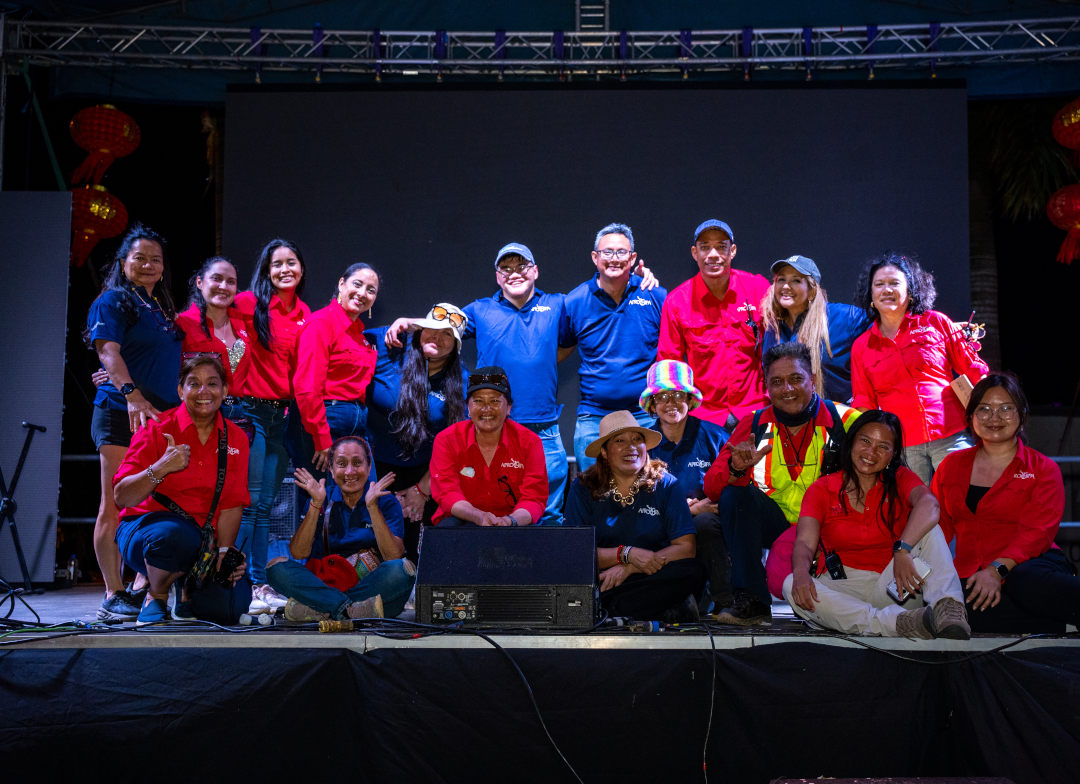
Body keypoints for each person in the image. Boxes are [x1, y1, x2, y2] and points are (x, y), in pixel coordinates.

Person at [703, 342, 860, 625]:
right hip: (777, 527)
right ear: (766, 387)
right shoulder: (753, 423)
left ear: (813, 379)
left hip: (830, 525)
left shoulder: (847, 421)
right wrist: (736, 468)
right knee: (734, 497)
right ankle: (752, 601)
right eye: (777, 382)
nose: (787, 389)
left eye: (796, 379)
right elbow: (712, 487)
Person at [784, 410, 971, 639]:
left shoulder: (900, 478)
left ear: (893, 454)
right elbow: (804, 542)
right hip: (843, 589)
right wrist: (801, 573)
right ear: (851, 442)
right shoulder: (822, 489)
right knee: (791, 583)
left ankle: (948, 607)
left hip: (896, 585)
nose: (871, 452)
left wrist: (902, 549)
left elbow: (930, 505)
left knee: (930, 527)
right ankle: (893, 623)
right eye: (865, 441)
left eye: (883, 446)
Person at [85, 223, 183, 620]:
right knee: (114, 502)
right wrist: (130, 393)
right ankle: (113, 593)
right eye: (139, 258)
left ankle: (141, 585)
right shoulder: (113, 301)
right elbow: (108, 351)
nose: (148, 265)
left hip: (160, 418)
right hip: (121, 412)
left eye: (155, 259)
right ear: (123, 262)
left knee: (152, 502)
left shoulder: (161, 308)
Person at [931, 373, 1080, 633]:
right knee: (955, 606)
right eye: (984, 409)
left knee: (1023, 582)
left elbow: (1037, 532)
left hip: (1032, 567)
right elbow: (937, 527)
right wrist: (915, 566)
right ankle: (1058, 620)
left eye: (1006, 408)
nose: (994, 417)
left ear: (1022, 415)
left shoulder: (1042, 468)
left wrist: (996, 569)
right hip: (973, 574)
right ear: (970, 416)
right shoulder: (950, 466)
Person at [112, 356, 251, 625]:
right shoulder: (157, 427)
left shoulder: (236, 437)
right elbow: (122, 496)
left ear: (224, 391)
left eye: (212, 384)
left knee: (230, 608)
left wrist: (224, 552)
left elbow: (233, 503)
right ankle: (156, 595)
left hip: (202, 542)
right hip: (146, 532)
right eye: (194, 384)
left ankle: (186, 590)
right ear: (180, 390)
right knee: (173, 535)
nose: (203, 391)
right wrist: (161, 467)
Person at [851, 251, 988, 485]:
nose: (887, 289)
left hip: (952, 435)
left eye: (894, 283)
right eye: (879, 284)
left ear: (911, 291)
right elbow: (865, 403)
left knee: (963, 499)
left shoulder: (936, 322)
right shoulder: (862, 346)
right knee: (916, 506)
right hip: (903, 447)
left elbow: (976, 370)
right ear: (870, 294)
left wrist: (992, 413)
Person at [231, 239, 312, 609]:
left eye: (291, 262)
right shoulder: (249, 303)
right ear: (266, 271)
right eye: (277, 264)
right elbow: (225, 341)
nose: (284, 270)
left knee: (263, 505)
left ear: (301, 268)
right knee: (251, 504)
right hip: (250, 412)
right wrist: (226, 381)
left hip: (281, 416)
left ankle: (258, 584)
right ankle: (239, 583)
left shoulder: (304, 313)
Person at [565, 410, 703, 621]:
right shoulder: (583, 487)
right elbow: (576, 551)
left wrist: (630, 567)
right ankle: (659, 610)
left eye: (637, 440)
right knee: (574, 580)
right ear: (604, 452)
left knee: (692, 570)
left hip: (650, 574)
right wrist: (625, 554)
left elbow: (686, 548)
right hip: (604, 577)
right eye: (620, 441)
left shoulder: (667, 484)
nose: (631, 447)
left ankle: (610, 613)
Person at [266, 436, 414, 621]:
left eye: (357, 463)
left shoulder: (385, 500)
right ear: (331, 468)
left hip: (371, 587)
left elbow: (393, 555)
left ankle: (324, 609)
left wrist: (372, 507)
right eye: (342, 464)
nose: (350, 471)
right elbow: (298, 552)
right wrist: (315, 504)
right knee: (275, 567)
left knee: (402, 570)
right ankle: (350, 610)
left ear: (369, 467)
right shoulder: (321, 497)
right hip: (327, 583)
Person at [366, 303, 469, 559]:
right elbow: (350, 337)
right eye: (431, 328)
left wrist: (422, 490)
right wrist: (405, 320)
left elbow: (458, 445)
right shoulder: (391, 350)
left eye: (447, 335)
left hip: (425, 477)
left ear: (456, 346)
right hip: (371, 471)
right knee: (371, 550)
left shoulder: (462, 382)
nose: (437, 337)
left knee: (415, 556)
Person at [561, 222, 667, 472]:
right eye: (607, 252)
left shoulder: (654, 295)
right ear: (595, 257)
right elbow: (562, 349)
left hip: (645, 415)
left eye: (621, 252)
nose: (614, 258)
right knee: (592, 488)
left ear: (632, 258)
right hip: (594, 416)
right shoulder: (574, 301)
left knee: (649, 489)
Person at [657, 219, 771, 429]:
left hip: (755, 410)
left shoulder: (758, 289)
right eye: (705, 247)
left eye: (721, 247)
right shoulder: (677, 301)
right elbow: (669, 365)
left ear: (732, 251)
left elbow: (779, 346)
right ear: (695, 253)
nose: (713, 254)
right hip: (704, 416)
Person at [639, 360, 732, 611]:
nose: (671, 403)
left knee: (705, 523)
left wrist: (702, 510)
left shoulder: (715, 437)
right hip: (660, 530)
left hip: (709, 528)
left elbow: (733, 489)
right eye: (662, 396)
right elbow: (639, 504)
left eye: (678, 395)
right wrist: (688, 510)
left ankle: (726, 602)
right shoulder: (642, 446)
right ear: (652, 404)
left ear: (690, 400)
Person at [429, 367, 547, 527]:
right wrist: (478, 516)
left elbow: (534, 498)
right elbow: (447, 493)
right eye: (478, 401)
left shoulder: (530, 442)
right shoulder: (447, 439)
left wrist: (510, 521)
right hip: (463, 520)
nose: (486, 408)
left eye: (495, 401)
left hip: (512, 523)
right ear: (468, 407)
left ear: (509, 407)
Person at [293, 263, 380, 472]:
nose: (362, 293)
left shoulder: (360, 335)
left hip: (356, 426)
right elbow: (307, 386)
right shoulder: (321, 323)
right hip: (325, 425)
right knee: (322, 490)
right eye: (357, 284)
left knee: (364, 490)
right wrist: (321, 436)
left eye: (371, 290)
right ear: (341, 284)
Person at [759, 254, 871, 404]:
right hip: (792, 415)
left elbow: (885, 327)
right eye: (781, 279)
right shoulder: (773, 327)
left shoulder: (845, 317)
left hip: (840, 415)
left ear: (812, 291)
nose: (786, 286)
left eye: (796, 280)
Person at [174, 256, 251, 424]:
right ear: (200, 282)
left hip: (240, 414)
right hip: (200, 412)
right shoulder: (183, 324)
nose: (223, 286)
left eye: (231, 282)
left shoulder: (241, 321)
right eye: (217, 279)